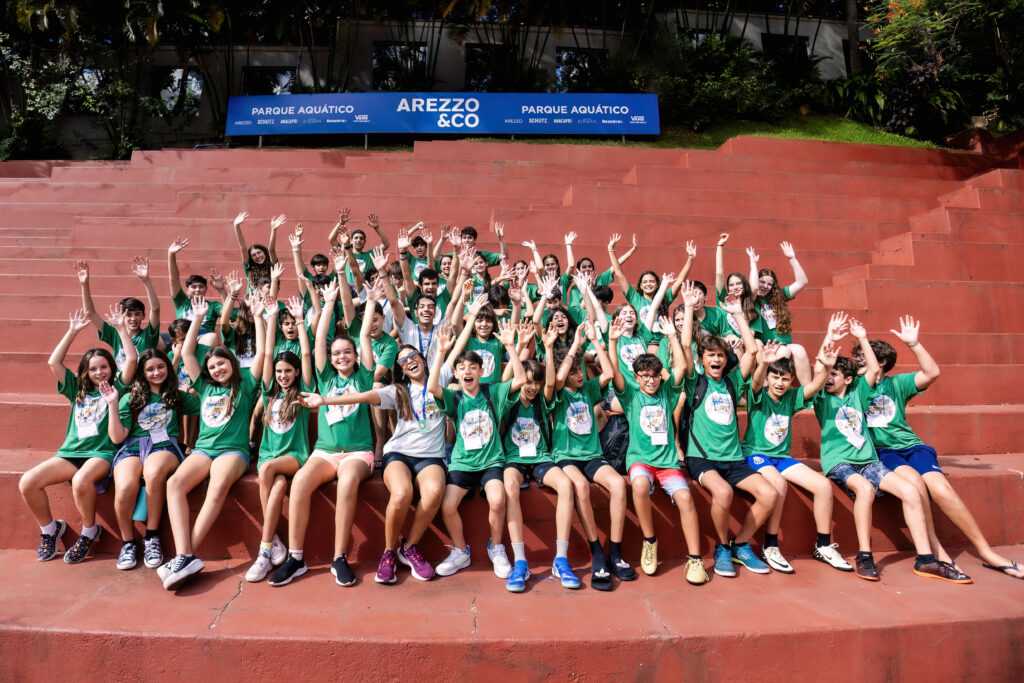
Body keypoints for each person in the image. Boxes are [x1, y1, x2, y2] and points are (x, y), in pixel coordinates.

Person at [863, 316, 1021, 580]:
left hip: (912, 447)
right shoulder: (856, 387)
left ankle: (988, 553)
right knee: (915, 483)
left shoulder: (896, 384)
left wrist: (913, 344)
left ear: (880, 363)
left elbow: (932, 373)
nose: (859, 362)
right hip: (884, 452)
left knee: (941, 488)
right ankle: (938, 553)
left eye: (864, 358)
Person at [811, 316, 961, 582]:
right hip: (840, 462)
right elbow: (820, 368)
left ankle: (925, 559)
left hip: (869, 461)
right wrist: (830, 337)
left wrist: (861, 338)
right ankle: (865, 555)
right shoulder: (822, 399)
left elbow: (872, 369)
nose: (828, 378)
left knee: (911, 491)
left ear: (847, 378)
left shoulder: (860, 394)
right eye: (828, 374)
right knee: (865, 490)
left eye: (834, 374)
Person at [300, 336, 447, 584]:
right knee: (402, 493)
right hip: (399, 453)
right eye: (402, 361)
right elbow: (364, 396)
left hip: (431, 456)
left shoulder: (439, 380)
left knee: (434, 492)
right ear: (399, 369)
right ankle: (388, 552)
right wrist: (325, 400)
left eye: (413, 356)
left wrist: (446, 346)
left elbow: (451, 357)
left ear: (423, 359)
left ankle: (408, 547)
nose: (409, 361)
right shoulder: (397, 390)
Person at [269, 280, 376, 588]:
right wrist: (327, 304)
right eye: (337, 353)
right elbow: (318, 342)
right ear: (330, 359)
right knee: (300, 482)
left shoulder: (365, 376)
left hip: (358, 452)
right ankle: (296, 557)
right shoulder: (325, 377)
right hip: (325, 452)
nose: (342, 356)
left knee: (347, 482)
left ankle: (339, 557)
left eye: (347, 352)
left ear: (356, 356)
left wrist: (370, 302)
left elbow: (365, 334)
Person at [159, 294, 266, 590]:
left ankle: (185, 555)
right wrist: (196, 319)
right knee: (174, 484)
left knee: (217, 485)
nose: (218, 369)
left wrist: (258, 317)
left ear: (231, 363)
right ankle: (185, 554)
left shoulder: (244, 383)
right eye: (214, 366)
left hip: (233, 451)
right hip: (204, 449)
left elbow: (263, 357)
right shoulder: (204, 386)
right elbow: (190, 354)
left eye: (222, 363)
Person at [19, 307, 137, 564]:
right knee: (28, 482)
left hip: (102, 454)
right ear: (86, 371)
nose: (99, 373)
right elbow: (54, 363)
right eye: (93, 369)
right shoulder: (77, 389)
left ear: (111, 368)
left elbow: (131, 361)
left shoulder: (118, 388)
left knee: (82, 480)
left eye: (104, 367)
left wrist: (120, 329)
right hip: (71, 453)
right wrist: (72, 331)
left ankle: (88, 532)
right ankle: (50, 530)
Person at [678, 283, 779, 578]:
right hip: (703, 458)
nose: (716, 360)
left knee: (769, 494)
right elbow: (685, 346)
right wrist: (686, 308)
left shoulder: (733, 384)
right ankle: (722, 546)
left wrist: (738, 315)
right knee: (722, 493)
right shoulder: (694, 382)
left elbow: (750, 351)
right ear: (702, 360)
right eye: (710, 356)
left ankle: (741, 544)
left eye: (720, 355)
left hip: (733, 458)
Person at [609, 313, 709, 586]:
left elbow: (680, 369)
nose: (650, 381)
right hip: (641, 459)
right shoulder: (630, 395)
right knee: (639, 486)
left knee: (686, 498)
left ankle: (695, 558)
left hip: (667, 463)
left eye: (654, 376)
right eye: (644, 376)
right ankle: (649, 540)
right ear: (637, 377)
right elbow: (615, 372)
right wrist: (611, 341)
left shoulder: (667, 392)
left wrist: (672, 337)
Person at [741, 329, 852, 574]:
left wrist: (825, 364)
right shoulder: (758, 395)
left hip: (781, 457)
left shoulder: (790, 398)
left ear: (791, 381)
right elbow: (756, 383)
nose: (780, 383)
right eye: (776, 378)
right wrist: (763, 364)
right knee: (778, 484)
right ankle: (770, 546)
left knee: (822, 485)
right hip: (755, 453)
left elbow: (813, 386)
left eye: (785, 379)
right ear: (769, 379)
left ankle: (823, 546)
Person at [428, 320, 525, 579]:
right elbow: (432, 387)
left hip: (491, 461)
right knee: (447, 506)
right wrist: (440, 353)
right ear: (457, 375)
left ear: (481, 371)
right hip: (462, 463)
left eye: (473, 367)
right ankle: (461, 551)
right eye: (462, 368)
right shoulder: (455, 396)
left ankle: (497, 547)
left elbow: (522, 378)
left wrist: (510, 347)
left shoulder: (493, 393)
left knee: (497, 499)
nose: (467, 371)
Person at [550, 322, 635, 590]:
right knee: (581, 487)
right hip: (565, 456)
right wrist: (574, 346)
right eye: (573, 371)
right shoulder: (558, 393)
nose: (578, 376)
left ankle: (616, 551)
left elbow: (609, 372)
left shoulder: (588, 390)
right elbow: (559, 378)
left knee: (619, 484)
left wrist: (600, 341)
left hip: (592, 455)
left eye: (579, 371)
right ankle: (596, 550)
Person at [103, 348, 198, 571]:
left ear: (168, 367)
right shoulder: (130, 398)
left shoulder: (177, 395)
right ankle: (128, 542)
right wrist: (113, 405)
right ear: (142, 373)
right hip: (133, 447)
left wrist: (192, 387)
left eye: (160, 367)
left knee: (153, 472)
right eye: (150, 369)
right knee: (125, 485)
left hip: (165, 446)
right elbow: (117, 437)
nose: (156, 372)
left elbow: (206, 404)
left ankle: (152, 536)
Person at [501, 338, 581, 592]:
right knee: (510, 487)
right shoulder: (510, 398)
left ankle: (560, 559)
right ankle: (521, 562)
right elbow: (507, 380)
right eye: (527, 381)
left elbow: (549, 383)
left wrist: (547, 348)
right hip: (514, 459)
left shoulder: (542, 400)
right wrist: (514, 348)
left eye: (535, 381)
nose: (531, 386)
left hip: (541, 459)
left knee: (566, 486)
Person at [244, 297, 314, 582]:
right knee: (278, 484)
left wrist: (300, 321)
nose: (283, 375)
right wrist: (266, 318)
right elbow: (267, 350)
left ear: (296, 372)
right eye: (279, 371)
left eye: (288, 371)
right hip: (269, 456)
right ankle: (273, 541)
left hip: (295, 455)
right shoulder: (269, 390)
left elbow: (307, 356)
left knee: (269, 471)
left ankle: (264, 549)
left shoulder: (303, 391)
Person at [76, 256, 162, 370]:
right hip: (120, 384)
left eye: (137, 314)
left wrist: (146, 280)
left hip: (142, 384)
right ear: (122, 316)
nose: (133, 318)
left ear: (143, 316)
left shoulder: (148, 336)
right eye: (128, 315)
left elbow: (155, 309)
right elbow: (90, 313)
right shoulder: (114, 334)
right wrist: (84, 285)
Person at [746, 241, 812, 384]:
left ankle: (808, 394)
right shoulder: (753, 299)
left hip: (784, 342)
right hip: (766, 343)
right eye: (762, 282)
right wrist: (753, 263)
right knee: (784, 352)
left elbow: (802, 282)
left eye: (769, 284)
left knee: (800, 350)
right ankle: (771, 390)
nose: (765, 286)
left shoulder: (779, 297)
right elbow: (754, 288)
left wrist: (792, 258)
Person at [715, 233, 767, 351]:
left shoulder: (752, 306)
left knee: (757, 343)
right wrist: (719, 246)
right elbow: (719, 274)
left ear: (744, 285)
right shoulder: (723, 301)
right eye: (731, 285)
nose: (735, 287)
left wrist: (753, 264)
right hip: (727, 344)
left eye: (738, 283)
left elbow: (754, 288)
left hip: (747, 343)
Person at [167, 237, 225, 334]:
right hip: (183, 338)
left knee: (212, 338)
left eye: (201, 287)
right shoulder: (182, 303)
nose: (197, 290)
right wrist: (171, 255)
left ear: (206, 290)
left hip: (204, 339)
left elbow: (227, 313)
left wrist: (222, 290)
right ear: (187, 291)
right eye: (193, 287)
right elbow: (173, 278)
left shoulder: (213, 306)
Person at [232, 211, 283, 288]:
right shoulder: (249, 268)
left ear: (264, 252)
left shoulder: (272, 267)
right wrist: (236, 226)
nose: (257, 256)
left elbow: (271, 250)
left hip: (270, 299)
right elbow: (243, 248)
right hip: (253, 299)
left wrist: (273, 229)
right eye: (253, 255)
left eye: (259, 252)